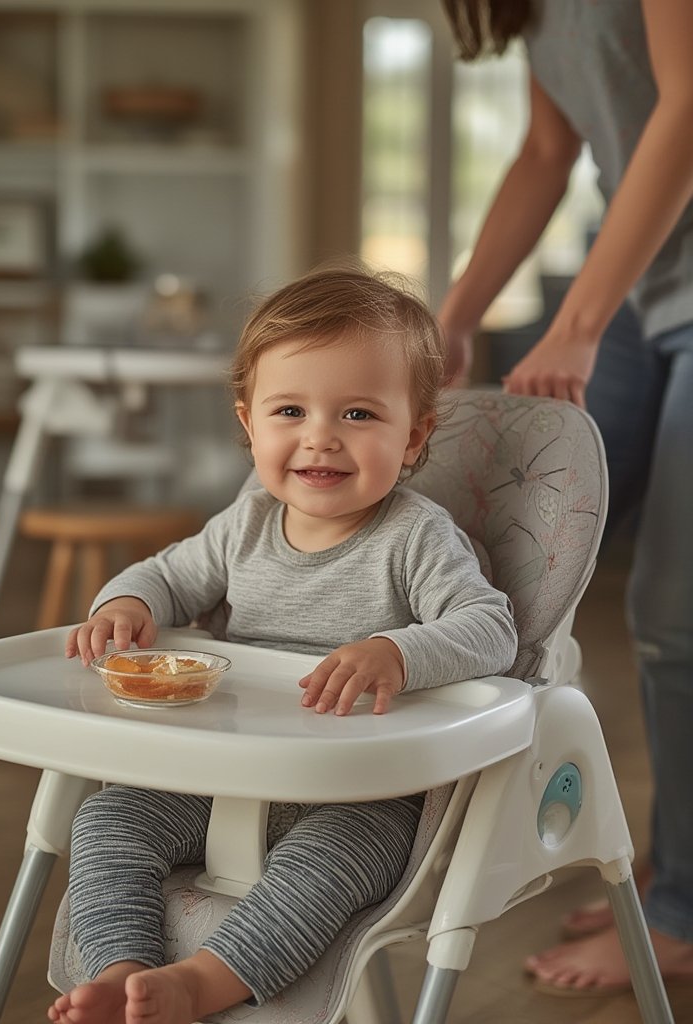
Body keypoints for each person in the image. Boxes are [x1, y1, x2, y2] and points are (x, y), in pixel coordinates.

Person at [47, 266, 518, 1024]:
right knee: (108, 821)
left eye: (358, 413)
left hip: (361, 790)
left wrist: (396, 652)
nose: (320, 437)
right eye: (290, 410)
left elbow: (491, 627)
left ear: (414, 436)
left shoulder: (417, 537)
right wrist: (126, 605)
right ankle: (122, 972)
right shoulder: (247, 524)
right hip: (220, 771)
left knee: (329, 863)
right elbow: (165, 575)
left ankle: (200, 984)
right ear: (250, 425)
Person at [438, 0, 693, 996]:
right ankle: (669, 870)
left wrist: (577, 325)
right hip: (644, 279)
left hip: (644, 289)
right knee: (515, 549)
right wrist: (456, 317)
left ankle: (681, 917)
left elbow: (687, 104)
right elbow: (548, 150)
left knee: (675, 612)